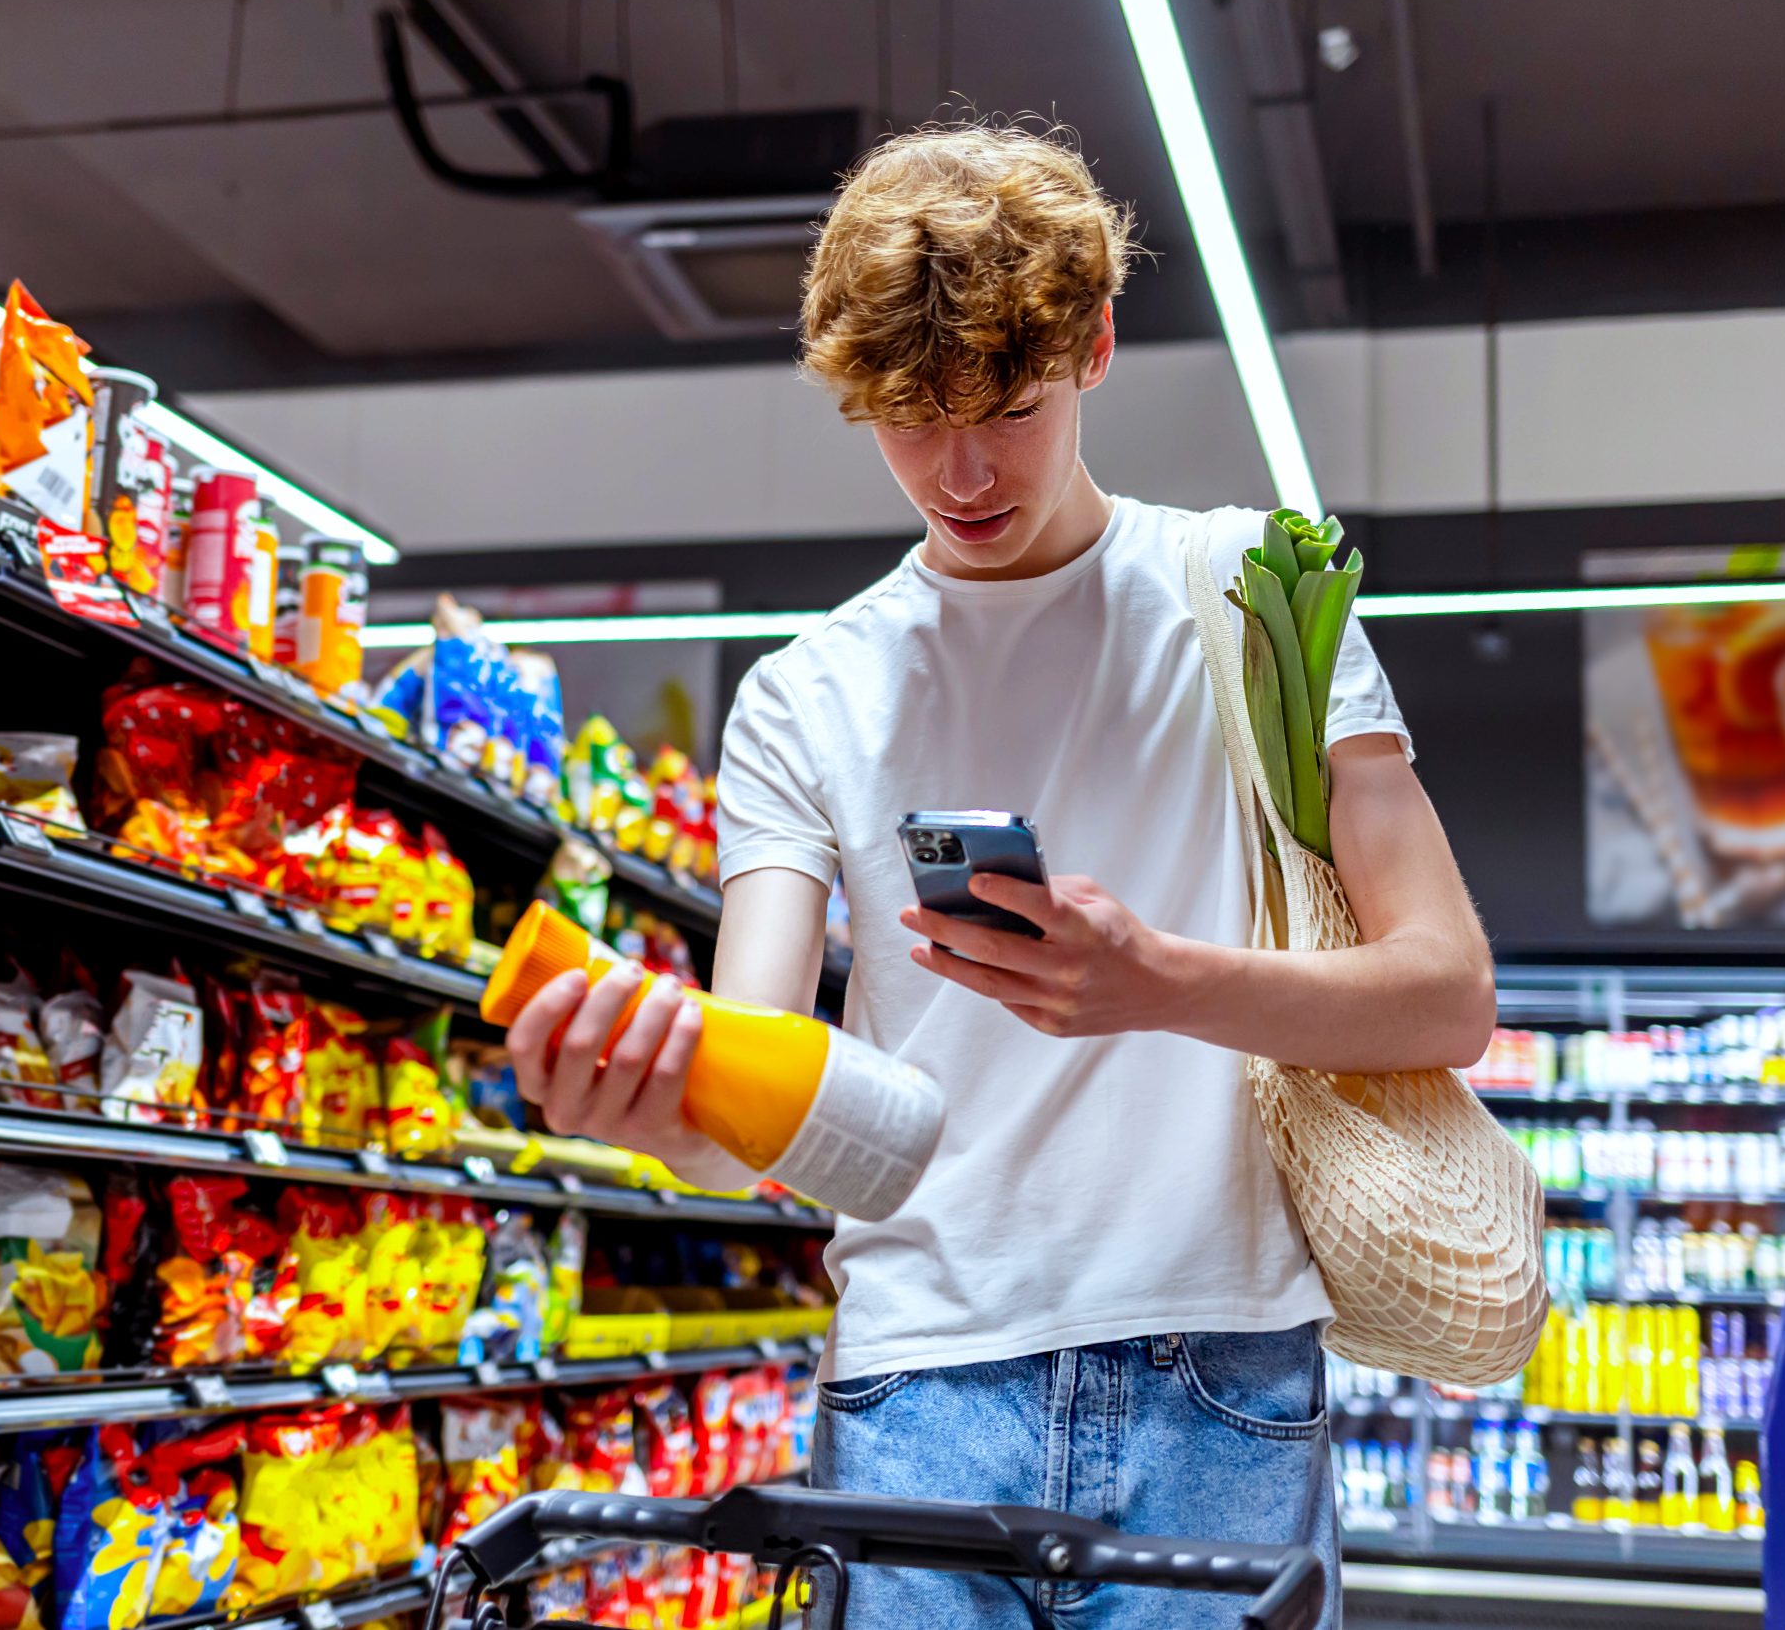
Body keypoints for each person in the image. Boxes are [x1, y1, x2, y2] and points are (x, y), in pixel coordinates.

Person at [500, 121, 1494, 1629]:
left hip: (1215, 1370)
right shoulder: (807, 693)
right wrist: (652, 1098)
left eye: (1007, 409)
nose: (961, 472)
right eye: (910, 418)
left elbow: (1448, 995)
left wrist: (1162, 982)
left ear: (1096, 346)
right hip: (916, 1383)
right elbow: (752, 1100)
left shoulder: (1253, 591)